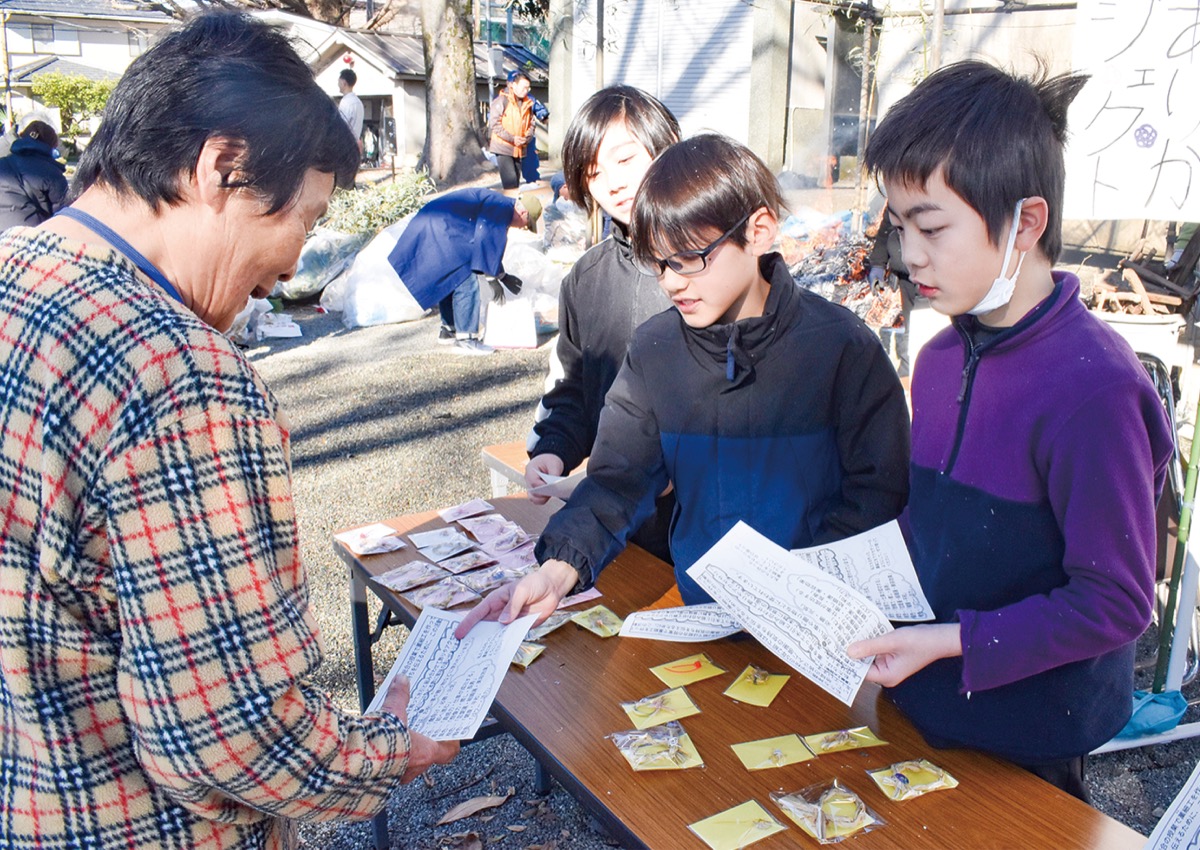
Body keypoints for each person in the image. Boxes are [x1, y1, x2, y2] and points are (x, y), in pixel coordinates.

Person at [0, 13, 458, 850]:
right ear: (224, 165)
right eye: (307, 221)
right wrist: (386, 752)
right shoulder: (181, 375)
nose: (291, 267)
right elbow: (225, 733)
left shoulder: (16, 274)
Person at [845, 61, 1176, 803]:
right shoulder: (936, 357)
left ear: (1026, 222)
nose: (910, 257)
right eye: (900, 227)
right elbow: (929, 520)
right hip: (922, 693)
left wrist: (954, 639)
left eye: (931, 227)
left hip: (1034, 733)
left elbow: (1117, 602)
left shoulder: (1096, 390)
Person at [458, 133, 909, 634]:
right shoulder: (656, 350)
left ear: (758, 232)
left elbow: (878, 492)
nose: (671, 282)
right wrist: (558, 568)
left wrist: (798, 588)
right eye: (658, 262)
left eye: (689, 258)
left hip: (816, 623)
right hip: (706, 617)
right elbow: (616, 482)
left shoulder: (841, 348)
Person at [523, 85, 681, 562]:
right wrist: (554, 449)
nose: (612, 183)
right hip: (618, 526)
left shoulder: (716, 269)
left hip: (711, 528)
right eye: (593, 173)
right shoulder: (585, 280)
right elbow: (574, 389)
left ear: (667, 146)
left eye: (626, 160)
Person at [387, 187, 540, 355]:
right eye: (527, 224)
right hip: (442, 227)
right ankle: (466, 339)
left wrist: (501, 275)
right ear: (523, 213)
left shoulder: (499, 204)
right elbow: (485, 238)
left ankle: (449, 329)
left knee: (450, 277)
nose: (522, 228)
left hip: (436, 223)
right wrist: (491, 278)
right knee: (466, 280)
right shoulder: (502, 206)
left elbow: (489, 244)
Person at [867, 210, 917, 377]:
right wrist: (878, 263)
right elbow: (888, 223)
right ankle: (906, 375)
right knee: (911, 327)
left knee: (927, 329)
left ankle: (910, 373)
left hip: (933, 272)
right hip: (905, 271)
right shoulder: (899, 194)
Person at [0, 120, 67, 230]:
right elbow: (63, 215)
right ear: (51, 145)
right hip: (28, 238)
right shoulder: (52, 173)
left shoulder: (2, 163)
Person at [488, 71, 533, 192]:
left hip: (519, 148)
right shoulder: (501, 101)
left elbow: (531, 124)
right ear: (513, 85)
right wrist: (512, 138)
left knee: (516, 181)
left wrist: (526, 138)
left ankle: (513, 207)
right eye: (524, 87)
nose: (526, 90)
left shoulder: (528, 103)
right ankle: (509, 208)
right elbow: (494, 124)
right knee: (510, 182)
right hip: (503, 147)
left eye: (528, 88)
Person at [521, 95, 549, 185]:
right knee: (510, 172)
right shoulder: (503, 98)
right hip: (509, 138)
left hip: (527, 137)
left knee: (530, 165)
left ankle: (534, 185)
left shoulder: (529, 99)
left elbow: (540, 110)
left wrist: (543, 116)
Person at [337, 67, 364, 155]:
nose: (338, 84)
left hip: (345, 147)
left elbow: (341, 126)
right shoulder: (359, 102)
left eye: (339, 82)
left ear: (344, 83)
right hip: (356, 146)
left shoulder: (346, 102)